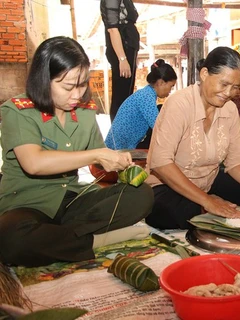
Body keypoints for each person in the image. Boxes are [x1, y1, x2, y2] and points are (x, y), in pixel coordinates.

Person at [0, 37, 154, 267]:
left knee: (142, 195)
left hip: (73, 201)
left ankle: (54, 237)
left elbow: (98, 162)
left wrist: (121, 165)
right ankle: (95, 240)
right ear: (43, 80)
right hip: (26, 204)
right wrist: (96, 155)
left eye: (82, 85)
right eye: (68, 87)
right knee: (10, 240)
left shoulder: (83, 113)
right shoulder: (18, 111)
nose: (77, 95)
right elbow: (34, 163)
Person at [145, 47, 240, 230]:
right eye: (223, 84)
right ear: (205, 74)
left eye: (235, 87)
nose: (229, 92)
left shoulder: (229, 110)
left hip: (208, 180)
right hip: (168, 185)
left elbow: (235, 162)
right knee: (170, 212)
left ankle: (207, 203)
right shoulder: (179, 104)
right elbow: (160, 163)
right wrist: (207, 201)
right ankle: (204, 204)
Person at [105, 59, 177, 150]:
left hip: (124, 146)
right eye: (171, 86)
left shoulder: (147, 94)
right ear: (161, 83)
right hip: (118, 149)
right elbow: (159, 128)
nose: (170, 91)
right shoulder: (146, 97)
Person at [100, 0, 140, 122]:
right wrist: (122, 59)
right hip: (122, 49)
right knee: (121, 96)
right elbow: (112, 29)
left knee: (126, 95)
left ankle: (124, 132)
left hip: (127, 48)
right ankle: (118, 135)